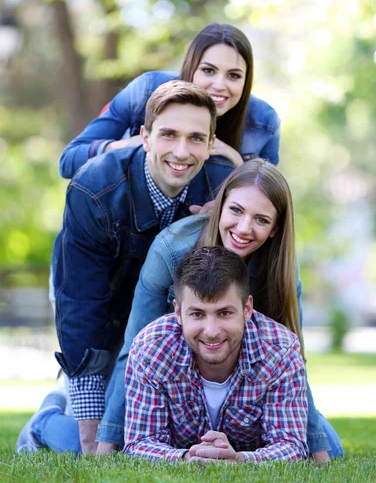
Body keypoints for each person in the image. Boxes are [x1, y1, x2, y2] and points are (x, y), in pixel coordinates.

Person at [97, 159, 343, 464]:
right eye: (236, 210)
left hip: (244, 398)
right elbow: (133, 348)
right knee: (76, 439)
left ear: (276, 227)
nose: (243, 228)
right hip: (174, 393)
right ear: (220, 206)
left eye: (261, 220)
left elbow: (294, 357)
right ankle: (49, 417)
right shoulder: (171, 249)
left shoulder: (280, 267)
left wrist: (317, 450)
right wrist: (107, 442)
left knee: (332, 446)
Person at [51, 80, 235, 453]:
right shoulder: (93, 189)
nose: (182, 152)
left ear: (211, 144)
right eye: (168, 134)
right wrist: (92, 437)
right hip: (100, 309)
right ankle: (49, 418)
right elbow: (80, 304)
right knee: (83, 440)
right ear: (145, 137)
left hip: (168, 317)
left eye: (196, 138)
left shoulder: (222, 189)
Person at [124, 246, 309, 462]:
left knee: (333, 449)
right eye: (197, 314)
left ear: (247, 309)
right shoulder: (151, 350)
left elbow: (292, 445)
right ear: (178, 312)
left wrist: (240, 460)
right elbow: (140, 442)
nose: (211, 331)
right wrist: (185, 458)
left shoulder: (281, 351)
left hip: (255, 444)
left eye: (224, 313)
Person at [59, 23, 280, 179]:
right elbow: (69, 161)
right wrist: (137, 143)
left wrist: (236, 161)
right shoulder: (146, 91)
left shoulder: (264, 122)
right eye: (208, 70)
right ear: (191, 68)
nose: (220, 85)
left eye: (233, 75)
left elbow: (267, 202)